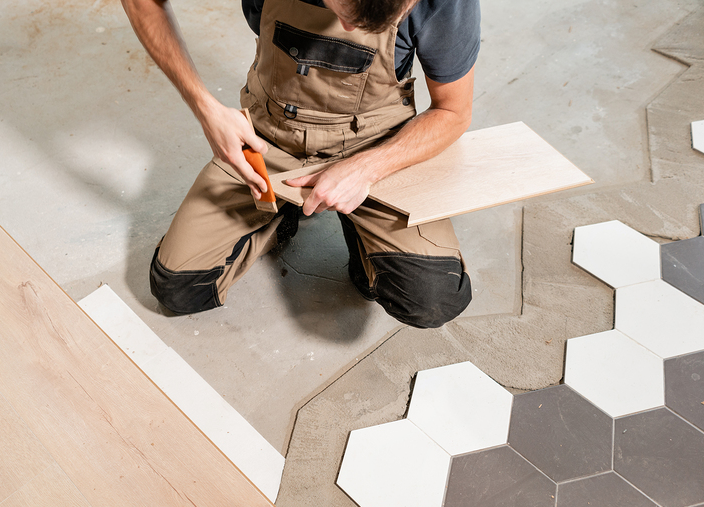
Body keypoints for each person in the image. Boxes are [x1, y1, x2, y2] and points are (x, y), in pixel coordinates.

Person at [121, 0, 480, 328]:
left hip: (376, 142)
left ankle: (360, 235)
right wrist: (203, 106)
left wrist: (366, 169)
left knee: (432, 299)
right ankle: (282, 215)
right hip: (269, 137)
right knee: (178, 287)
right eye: (344, 12)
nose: (349, 30)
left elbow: (453, 111)